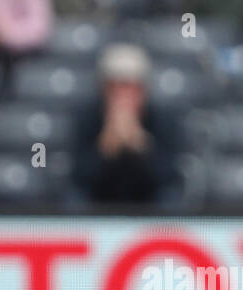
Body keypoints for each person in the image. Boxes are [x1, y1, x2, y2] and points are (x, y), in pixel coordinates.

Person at [70, 43, 184, 206]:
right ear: (103, 89)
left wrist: (142, 146)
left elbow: (169, 177)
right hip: (98, 206)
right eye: (115, 86)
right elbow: (78, 177)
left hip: (150, 209)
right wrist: (104, 149)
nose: (123, 95)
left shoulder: (163, 120)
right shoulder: (87, 118)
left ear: (144, 90)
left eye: (130, 87)